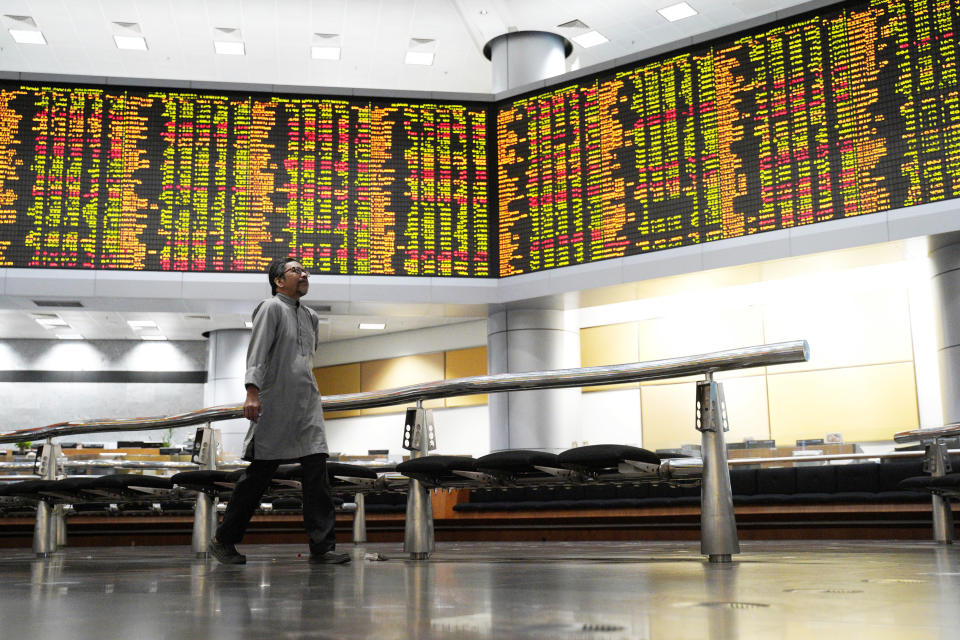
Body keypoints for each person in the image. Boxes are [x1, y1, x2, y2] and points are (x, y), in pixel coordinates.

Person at [209, 256, 350, 565]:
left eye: (304, 270)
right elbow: (258, 351)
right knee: (258, 477)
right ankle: (223, 540)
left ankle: (322, 547)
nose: (304, 274)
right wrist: (251, 391)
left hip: (307, 404)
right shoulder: (270, 308)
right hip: (274, 402)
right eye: (295, 270)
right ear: (278, 281)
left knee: (317, 474)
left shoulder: (311, 316)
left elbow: (307, 358)